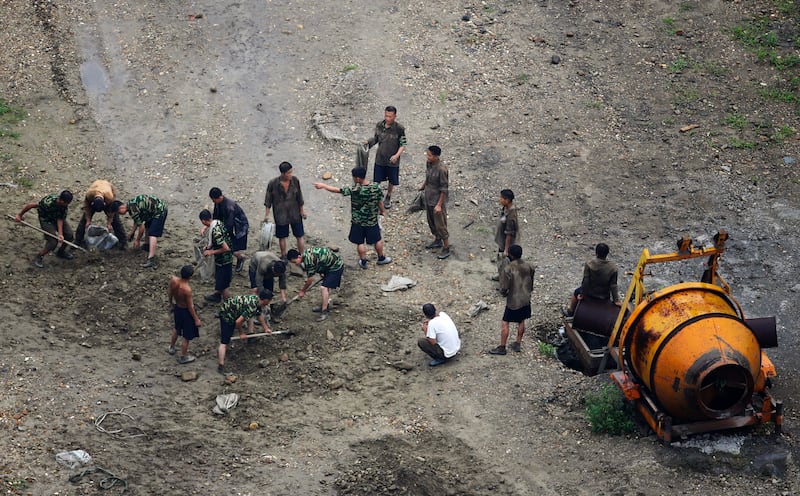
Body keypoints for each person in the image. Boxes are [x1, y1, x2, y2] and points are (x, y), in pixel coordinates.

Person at [313, 166, 393, 269]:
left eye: (354, 177)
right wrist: (382, 211)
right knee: (377, 239)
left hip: (357, 221)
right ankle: (381, 258)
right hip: (372, 221)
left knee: (360, 242)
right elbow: (380, 202)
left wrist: (323, 185)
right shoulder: (375, 187)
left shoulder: (355, 189)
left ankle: (363, 261)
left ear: (358, 178)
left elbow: (338, 190)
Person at [490, 244, 535, 355]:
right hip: (525, 299)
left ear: (511, 255)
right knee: (521, 320)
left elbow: (504, 287)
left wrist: (503, 293)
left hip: (514, 301)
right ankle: (517, 343)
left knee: (505, 322)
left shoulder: (508, 268)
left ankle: (502, 347)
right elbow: (531, 281)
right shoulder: (529, 266)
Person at [217, 289, 273, 374]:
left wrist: (265, 328)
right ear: (265, 300)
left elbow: (258, 315)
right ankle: (221, 366)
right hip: (227, 315)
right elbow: (238, 322)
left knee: (246, 319)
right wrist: (241, 333)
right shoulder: (251, 307)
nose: (270, 302)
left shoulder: (256, 300)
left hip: (233, 310)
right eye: (269, 300)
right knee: (224, 342)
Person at [15, 190, 75, 268]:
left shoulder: (64, 206)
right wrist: (19, 215)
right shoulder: (48, 202)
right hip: (46, 220)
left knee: (69, 235)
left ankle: (61, 252)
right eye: (66, 203)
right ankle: (39, 257)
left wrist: (60, 234)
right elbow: (32, 205)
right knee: (53, 242)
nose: (67, 205)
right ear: (61, 200)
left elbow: (60, 219)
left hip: (56, 218)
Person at [363, 105, 406, 209]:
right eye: (386, 116)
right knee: (377, 179)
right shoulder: (379, 125)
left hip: (392, 160)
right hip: (380, 158)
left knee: (391, 180)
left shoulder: (399, 129)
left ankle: (388, 196)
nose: (387, 118)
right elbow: (376, 139)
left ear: (395, 116)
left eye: (390, 116)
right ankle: (375, 197)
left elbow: (403, 144)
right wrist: (367, 143)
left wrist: (396, 155)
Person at [286, 247, 343, 322]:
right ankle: (325, 305)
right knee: (325, 287)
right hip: (328, 266)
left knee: (324, 287)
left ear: (299, 256)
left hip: (336, 267)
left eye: (295, 262)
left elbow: (310, 280)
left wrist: (303, 291)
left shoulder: (308, 261)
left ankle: (324, 311)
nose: (295, 264)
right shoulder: (306, 254)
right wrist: (322, 272)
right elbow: (318, 261)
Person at [264, 161, 306, 258]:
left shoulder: (295, 181)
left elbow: (300, 196)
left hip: (294, 213)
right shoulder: (273, 183)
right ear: (282, 173)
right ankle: (283, 255)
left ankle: (302, 256)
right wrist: (267, 215)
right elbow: (268, 200)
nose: (291, 174)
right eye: (289, 173)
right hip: (280, 214)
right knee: (282, 236)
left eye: (291, 172)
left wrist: (302, 210)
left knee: (299, 235)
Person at [565, 242, 622, 315]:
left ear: (596, 253)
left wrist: (582, 294)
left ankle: (570, 311)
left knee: (576, 292)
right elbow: (613, 285)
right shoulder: (613, 268)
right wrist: (616, 300)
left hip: (590, 293)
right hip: (604, 295)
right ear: (607, 254)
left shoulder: (589, 264)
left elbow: (585, 281)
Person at [117, 194, 167, 268]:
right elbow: (137, 221)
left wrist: (137, 240)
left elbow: (141, 227)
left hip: (160, 211)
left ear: (122, 207)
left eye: (119, 212)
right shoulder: (131, 204)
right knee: (148, 226)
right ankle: (147, 246)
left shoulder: (133, 209)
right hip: (153, 210)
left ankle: (151, 259)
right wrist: (132, 232)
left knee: (152, 234)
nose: (120, 214)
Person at [75, 179, 127, 249]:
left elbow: (111, 213)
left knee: (116, 220)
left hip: (108, 189)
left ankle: (123, 241)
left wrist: (109, 223)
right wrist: (88, 220)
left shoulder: (109, 197)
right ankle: (78, 240)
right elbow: (86, 207)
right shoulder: (89, 195)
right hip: (96, 188)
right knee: (84, 221)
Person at [419, 145, 451, 259]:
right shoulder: (429, 164)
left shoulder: (442, 170)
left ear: (436, 157)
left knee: (440, 224)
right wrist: (423, 187)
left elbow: (444, 189)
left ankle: (446, 247)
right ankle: (437, 240)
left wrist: (439, 205)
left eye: (430, 155)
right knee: (431, 221)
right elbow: (427, 176)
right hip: (429, 198)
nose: (427, 157)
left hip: (437, 201)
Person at [209, 187, 249, 273]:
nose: (213, 202)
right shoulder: (218, 203)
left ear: (219, 197)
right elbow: (216, 216)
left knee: (231, 247)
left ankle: (240, 258)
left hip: (238, 227)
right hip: (228, 223)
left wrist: (221, 235)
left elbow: (229, 226)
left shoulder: (229, 207)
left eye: (214, 200)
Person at [168, 265, 202, 364]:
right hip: (185, 311)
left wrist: (170, 304)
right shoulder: (187, 290)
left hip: (177, 308)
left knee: (176, 328)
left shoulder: (173, 281)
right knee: (186, 336)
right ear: (190, 277)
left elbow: (170, 293)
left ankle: (172, 347)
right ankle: (183, 356)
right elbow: (190, 306)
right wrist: (196, 319)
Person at [199, 209, 232, 303]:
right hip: (223, 259)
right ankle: (217, 295)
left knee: (224, 286)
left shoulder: (215, 232)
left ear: (203, 221)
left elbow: (226, 248)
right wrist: (209, 247)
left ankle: (228, 307)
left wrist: (211, 252)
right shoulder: (218, 223)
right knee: (219, 280)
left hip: (224, 261)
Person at [492, 189, 518, 281]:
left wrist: (506, 249)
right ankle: (500, 274)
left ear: (507, 200)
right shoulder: (505, 208)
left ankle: (505, 280)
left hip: (507, 243)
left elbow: (509, 233)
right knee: (500, 259)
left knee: (505, 260)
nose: (500, 200)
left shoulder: (511, 214)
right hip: (502, 240)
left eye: (501, 198)